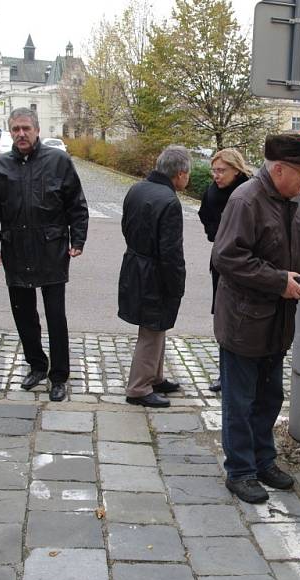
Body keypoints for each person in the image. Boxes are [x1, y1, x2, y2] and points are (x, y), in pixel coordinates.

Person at [212, 133, 300, 504]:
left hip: (278, 321)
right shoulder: (246, 201)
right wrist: (278, 281)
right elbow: (226, 257)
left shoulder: (295, 200)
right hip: (245, 321)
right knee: (240, 402)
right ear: (278, 169)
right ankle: (239, 470)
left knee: (269, 396)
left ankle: (263, 460)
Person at [0, 107, 88, 401]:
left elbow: (76, 204)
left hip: (51, 248)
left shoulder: (58, 161)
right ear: (10, 132)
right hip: (15, 249)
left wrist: (78, 238)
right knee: (24, 314)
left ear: (37, 130)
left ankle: (59, 375)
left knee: (55, 316)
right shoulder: (0, 167)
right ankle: (37, 365)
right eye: (15, 129)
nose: (21, 134)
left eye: (26, 128)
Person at [118, 146, 189, 409]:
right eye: (187, 174)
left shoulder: (137, 189)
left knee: (156, 328)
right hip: (155, 273)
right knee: (152, 330)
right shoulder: (170, 201)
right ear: (180, 174)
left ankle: (155, 377)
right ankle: (138, 387)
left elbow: (126, 226)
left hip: (135, 265)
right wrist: (177, 283)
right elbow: (171, 252)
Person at [198, 148, 253, 393]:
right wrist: (217, 232)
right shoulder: (211, 192)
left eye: (222, 171)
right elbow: (204, 216)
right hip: (220, 261)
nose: (216, 175)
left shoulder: (248, 192)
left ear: (236, 170)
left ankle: (243, 375)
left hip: (245, 263)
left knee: (243, 320)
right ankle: (225, 375)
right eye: (214, 170)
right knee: (223, 317)